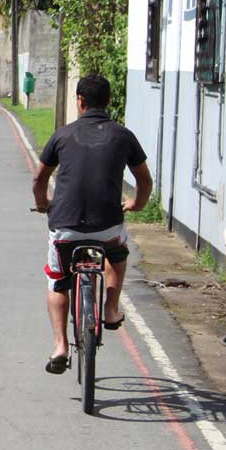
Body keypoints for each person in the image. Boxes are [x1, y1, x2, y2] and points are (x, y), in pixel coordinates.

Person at [32, 74, 154, 375]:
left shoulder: (62, 135)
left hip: (65, 226)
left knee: (58, 280)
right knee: (117, 254)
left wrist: (42, 203)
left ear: (80, 101)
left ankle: (60, 346)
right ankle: (110, 308)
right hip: (107, 225)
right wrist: (137, 204)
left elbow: (39, 179)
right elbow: (144, 180)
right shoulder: (123, 135)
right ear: (109, 101)